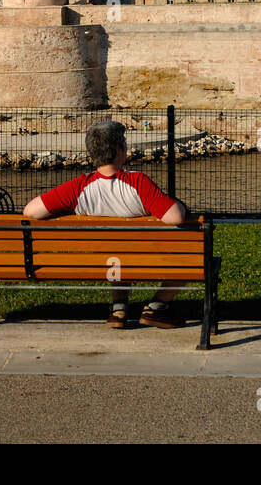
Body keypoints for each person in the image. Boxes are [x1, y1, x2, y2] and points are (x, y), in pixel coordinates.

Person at [23, 120, 193, 330]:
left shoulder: (79, 188)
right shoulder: (137, 182)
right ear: (118, 150)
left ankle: (119, 308)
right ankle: (156, 307)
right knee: (191, 259)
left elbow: (31, 211)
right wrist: (180, 205)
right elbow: (175, 217)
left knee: (117, 252)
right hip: (148, 260)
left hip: (104, 262)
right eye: (124, 143)